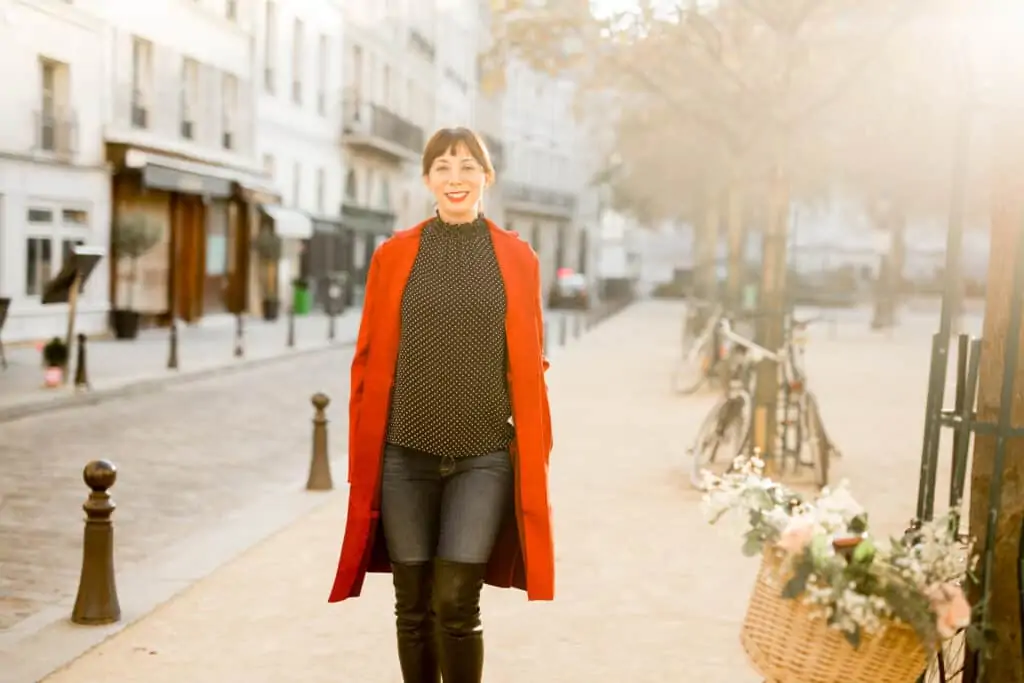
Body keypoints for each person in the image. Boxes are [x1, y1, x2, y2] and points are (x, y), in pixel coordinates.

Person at [327, 126, 555, 683]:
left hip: (482, 454)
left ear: (487, 177)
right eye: (444, 167)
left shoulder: (518, 259)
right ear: (428, 178)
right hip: (405, 455)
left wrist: (534, 441)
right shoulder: (394, 256)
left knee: (456, 603)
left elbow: (529, 358)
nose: (456, 178)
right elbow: (368, 356)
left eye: (467, 166)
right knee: (412, 608)